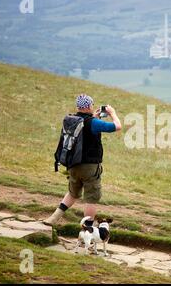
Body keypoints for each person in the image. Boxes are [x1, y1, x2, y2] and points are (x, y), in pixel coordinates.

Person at [43, 94, 122, 226]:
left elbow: (84, 131)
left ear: (78, 107)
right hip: (90, 167)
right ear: (89, 106)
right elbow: (117, 126)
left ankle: (53, 218)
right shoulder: (93, 123)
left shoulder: (73, 120)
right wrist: (112, 113)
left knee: (73, 193)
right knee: (91, 198)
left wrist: (94, 117)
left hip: (73, 164)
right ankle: (88, 229)